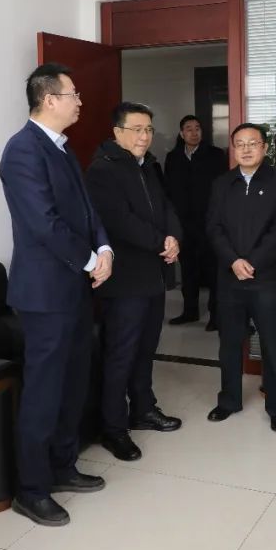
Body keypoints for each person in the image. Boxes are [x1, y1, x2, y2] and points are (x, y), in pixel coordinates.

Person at [0, 62, 113, 527]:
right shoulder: (22, 151)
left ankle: (64, 466)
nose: (80, 102)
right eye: (73, 94)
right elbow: (43, 223)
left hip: (74, 288)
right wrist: (90, 261)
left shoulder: (62, 147)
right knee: (44, 393)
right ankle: (31, 489)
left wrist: (103, 248)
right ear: (49, 99)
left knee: (73, 384)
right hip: (45, 294)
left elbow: (87, 211)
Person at [85, 102, 184, 462]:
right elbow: (119, 220)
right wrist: (161, 241)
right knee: (121, 354)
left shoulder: (149, 164)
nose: (144, 136)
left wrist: (174, 237)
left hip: (153, 275)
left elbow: (167, 205)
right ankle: (113, 428)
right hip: (125, 279)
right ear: (117, 132)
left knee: (146, 349)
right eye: (137, 129)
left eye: (149, 130)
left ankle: (143, 409)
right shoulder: (103, 170)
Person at [206, 123, 276, 432]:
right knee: (229, 343)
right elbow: (213, 228)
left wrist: (253, 262)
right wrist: (233, 261)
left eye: (252, 143)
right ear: (233, 149)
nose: (246, 149)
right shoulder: (221, 184)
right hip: (230, 278)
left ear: (264, 147)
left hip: (267, 279)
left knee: (273, 344)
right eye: (240, 144)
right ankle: (229, 400)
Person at [164, 115, 227, 330]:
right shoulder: (173, 157)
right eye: (189, 129)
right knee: (188, 269)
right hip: (184, 224)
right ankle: (190, 311)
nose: (194, 132)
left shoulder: (215, 155)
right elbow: (169, 191)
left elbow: (222, 190)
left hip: (209, 223)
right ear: (182, 134)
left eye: (197, 128)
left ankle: (217, 315)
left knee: (213, 270)